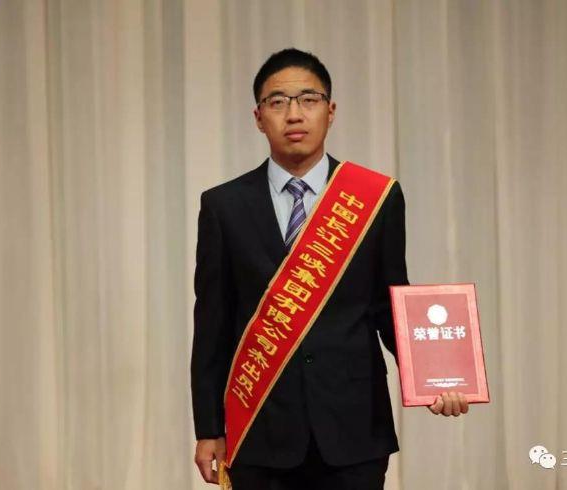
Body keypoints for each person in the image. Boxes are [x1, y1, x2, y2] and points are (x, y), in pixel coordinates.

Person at [191, 48, 469, 490]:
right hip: (260, 428)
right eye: (278, 102)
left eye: (309, 99)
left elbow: (389, 307)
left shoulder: (375, 197)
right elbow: (212, 325)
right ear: (259, 118)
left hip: (353, 427)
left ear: (330, 111)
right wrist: (209, 428)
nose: (294, 114)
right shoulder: (224, 205)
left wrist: (434, 378)